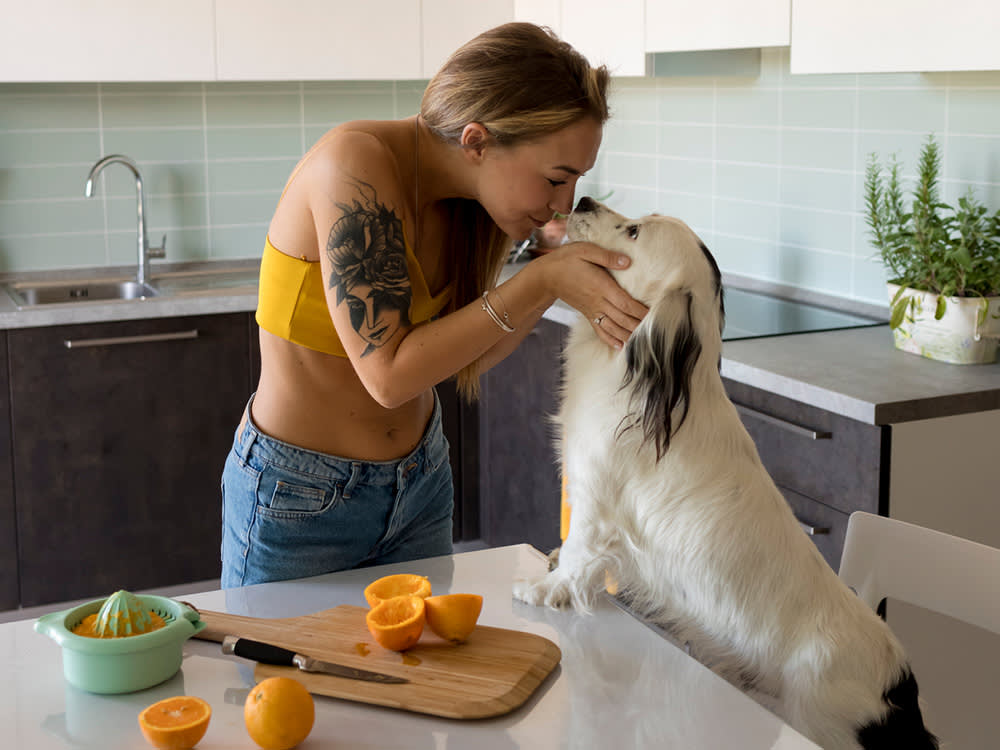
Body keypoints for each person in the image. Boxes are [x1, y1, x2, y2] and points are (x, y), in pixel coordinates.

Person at [220, 22, 648, 587]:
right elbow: (391, 376)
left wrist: (554, 288)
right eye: (555, 177)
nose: (561, 205)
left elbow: (463, 358)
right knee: (287, 676)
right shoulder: (354, 166)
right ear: (476, 142)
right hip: (300, 499)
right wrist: (542, 282)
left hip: (420, 483)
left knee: (420, 672)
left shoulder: (468, 206)